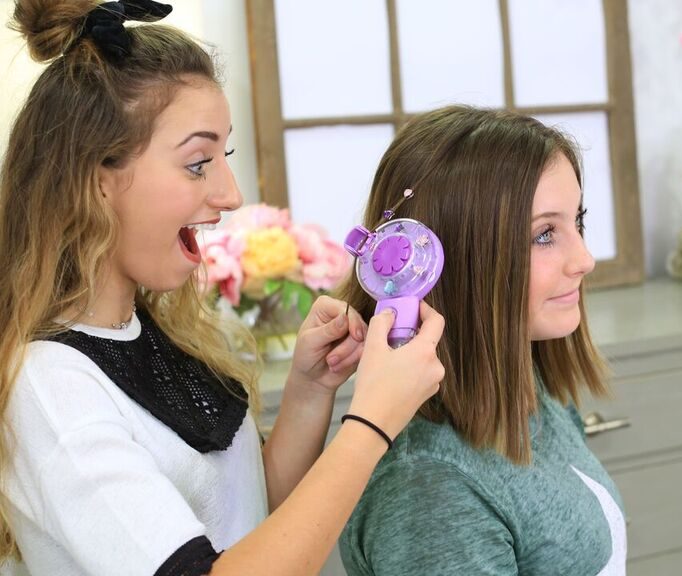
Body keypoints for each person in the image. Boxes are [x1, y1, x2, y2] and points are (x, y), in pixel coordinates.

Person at [0, 1, 444, 575]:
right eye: (197, 163)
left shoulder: (159, 332)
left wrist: (312, 390)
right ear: (96, 180)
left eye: (224, 156)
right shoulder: (52, 390)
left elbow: (253, 530)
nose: (230, 193)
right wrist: (374, 423)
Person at [338, 105, 627, 575]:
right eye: (545, 235)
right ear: (456, 259)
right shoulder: (430, 489)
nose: (585, 259)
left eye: (578, 221)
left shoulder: (528, 386)